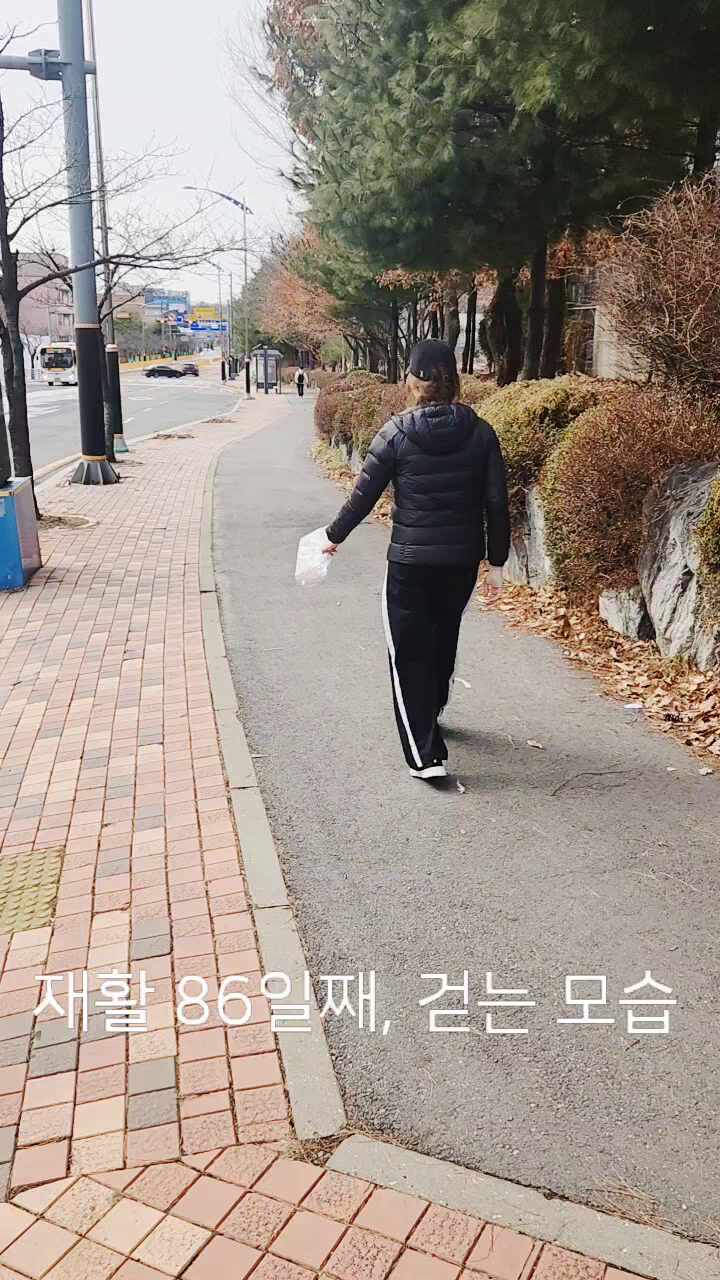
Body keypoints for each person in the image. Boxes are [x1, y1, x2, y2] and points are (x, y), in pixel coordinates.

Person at [324, 339, 510, 781]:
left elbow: (363, 496)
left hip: (410, 563)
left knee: (408, 652)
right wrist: (497, 562)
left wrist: (333, 537)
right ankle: (432, 713)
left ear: (411, 381)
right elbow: (497, 503)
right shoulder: (482, 432)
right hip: (461, 562)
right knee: (443, 638)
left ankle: (424, 755)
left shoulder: (395, 433)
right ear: (454, 381)